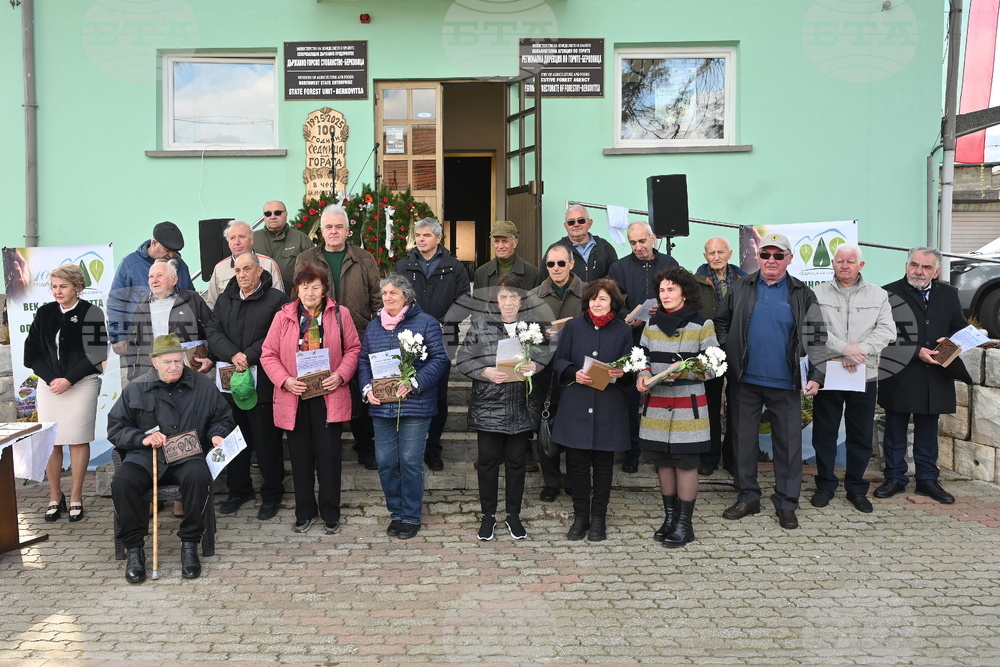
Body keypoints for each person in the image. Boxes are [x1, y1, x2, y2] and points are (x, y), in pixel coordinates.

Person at [713, 233, 827, 530]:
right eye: (766, 255)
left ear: (790, 259)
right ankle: (748, 496)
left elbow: (815, 336)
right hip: (744, 380)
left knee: (788, 446)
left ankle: (787, 503)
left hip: (786, 381)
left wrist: (816, 374)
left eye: (779, 255)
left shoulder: (803, 293)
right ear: (758, 258)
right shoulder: (741, 286)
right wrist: (729, 349)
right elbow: (721, 321)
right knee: (743, 442)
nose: (771, 261)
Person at [108, 333, 235, 583]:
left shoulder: (202, 385)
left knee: (199, 476)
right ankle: (134, 549)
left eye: (178, 361)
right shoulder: (135, 388)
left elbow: (222, 418)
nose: (174, 366)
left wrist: (218, 435)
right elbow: (116, 427)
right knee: (122, 482)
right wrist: (140, 438)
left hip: (187, 454)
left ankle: (189, 545)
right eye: (167, 362)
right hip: (146, 456)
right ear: (154, 362)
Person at [261, 264, 361, 534]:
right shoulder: (283, 317)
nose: (310, 292)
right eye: (304, 287)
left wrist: (341, 375)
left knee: (328, 458)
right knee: (300, 458)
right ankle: (305, 512)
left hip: (329, 395)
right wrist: (284, 380)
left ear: (325, 288)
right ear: (296, 289)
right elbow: (267, 354)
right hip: (295, 397)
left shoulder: (340, 314)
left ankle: (331, 512)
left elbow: (353, 348)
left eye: (315, 286)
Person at [875, 247, 973, 504]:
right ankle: (894, 478)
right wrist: (916, 351)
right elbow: (882, 335)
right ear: (906, 265)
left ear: (937, 271)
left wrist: (950, 343)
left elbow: (959, 329)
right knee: (895, 428)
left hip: (936, 373)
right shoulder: (887, 293)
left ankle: (927, 480)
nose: (919, 271)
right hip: (900, 371)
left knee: (928, 430)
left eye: (926, 267)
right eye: (914, 265)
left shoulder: (949, 294)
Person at [456, 275, 548, 541]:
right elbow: (463, 360)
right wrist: (484, 371)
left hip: (520, 405)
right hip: (489, 405)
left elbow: (544, 356)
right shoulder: (480, 325)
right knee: (487, 464)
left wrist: (536, 366)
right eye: (503, 297)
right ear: (495, 301)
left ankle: (514, 516)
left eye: (514, 297)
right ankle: (488, 517)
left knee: (517, 463)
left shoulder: (532, 326)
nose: (509, 302)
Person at [357, 274, 449, 540]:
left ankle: (410, 515)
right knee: (385, 462)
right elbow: (364, 361)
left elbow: (439, 360)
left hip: (415, 404)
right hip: (382, 406)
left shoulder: (426, 322)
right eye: (384, 293)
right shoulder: (374, 327)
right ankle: (395, 512)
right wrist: (366, 389)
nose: (387, 297)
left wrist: (415, 382)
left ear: (406, 296)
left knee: (409, 460)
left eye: (393, 293)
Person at [295, 204, 383, 469]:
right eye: (329, 227)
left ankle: (365, 445)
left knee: (359, 392)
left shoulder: (364, 258)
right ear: (321, 230)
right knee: (319, 392)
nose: (334, 231)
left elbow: (377, 299)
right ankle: (321, 447)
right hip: (317, 338)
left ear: (348, 230)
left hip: (357, 336)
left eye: (339, 227)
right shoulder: (306, 258)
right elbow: (296, 298)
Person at [636, 267, 719, 548]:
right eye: (661, 290)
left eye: (671, 289)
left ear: (684, 291)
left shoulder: (702, 324)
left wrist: (684, 372)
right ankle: (670, 518)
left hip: (688, 407)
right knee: (663, 462)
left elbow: (713, 365)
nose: (665, 294)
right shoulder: (651, 324)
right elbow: (642, 357)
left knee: (685, 464)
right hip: (657, 405)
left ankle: (685, 524)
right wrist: (641, 375)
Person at [809, 244, 895, 513]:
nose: (845, 265)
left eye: (851, 261)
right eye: (840, 261)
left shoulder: (878, 295)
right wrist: (843, 349)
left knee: (860, 435)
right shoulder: (817, 293)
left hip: (864, 374)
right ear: (832, 263)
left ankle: (857, 488)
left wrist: (860, 350)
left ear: (861, 265)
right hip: (829, 373)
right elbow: (813, 328)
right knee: (825, 433)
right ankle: (825, 485)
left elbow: (887, 330)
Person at [205, 253, 289, 520]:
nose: (242, 274)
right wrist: (233, 354)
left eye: (247, 269)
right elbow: (213, 331)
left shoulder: (277, 300)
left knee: (266, 443)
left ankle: (272, 493)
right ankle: (239, 491)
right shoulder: (224, 299)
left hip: (262, 381)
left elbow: (276, 335)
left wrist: (248, 355)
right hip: (229, 383)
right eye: (237, 270)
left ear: (259, 272)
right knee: (233, 441)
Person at [550, 278, 634, 542]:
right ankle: (580, 517)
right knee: (576, 467)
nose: (597, 304)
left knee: (603, 467)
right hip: (576, 405)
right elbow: (559, 360)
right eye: (594, 299)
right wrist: (573, 372)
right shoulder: (573, 326)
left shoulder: (623, 330)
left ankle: (598, 519)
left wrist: (622, 373)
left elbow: (629, 366)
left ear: (613, 303)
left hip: (608, 408)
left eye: (603, 299)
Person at [24, 263, 108, 523]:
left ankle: (76, 496)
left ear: (77, 287)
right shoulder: (45, 312)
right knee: (52, 441)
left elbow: (96, 354)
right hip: (50, 385)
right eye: (54, 287)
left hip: (81, 383)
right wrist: (53, 380)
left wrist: (69, 380)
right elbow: (32, 354)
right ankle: (54, 495)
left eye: (63, 286)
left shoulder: (91, 312)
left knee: (78, 439)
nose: (57, 291)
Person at [395, 217, 471, 471]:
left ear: (439, 238)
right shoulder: (403, 265)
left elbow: (464, 300)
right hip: (409, 338)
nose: (421, 239)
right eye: (418, 235)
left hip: (444, 336)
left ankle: (433, 449)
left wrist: (446, 322)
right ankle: (409, 448)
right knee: (408, 390)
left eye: (426, 235)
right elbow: (395, 297)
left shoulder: (455, 267)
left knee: (438, 396)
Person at [607, 221, 678, 473]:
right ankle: (632, 451)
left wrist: (665, 308)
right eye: (633, 242)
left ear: (653, 238)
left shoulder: (669, 263)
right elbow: (613, 302)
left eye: (642, 241)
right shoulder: (619, 267)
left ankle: (661, 452)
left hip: (664, 338)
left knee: (661, 394)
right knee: (630, 397)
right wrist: (629, 315)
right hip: (632, 339)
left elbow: (681, 297)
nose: (638, 247)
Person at [530, 243, 584, 503]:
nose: (556, 269)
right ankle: (551, 480)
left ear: (571, 264)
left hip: (577, 370)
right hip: (545, 370)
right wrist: (542, 334)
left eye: (561, 263)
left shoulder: (589, 293)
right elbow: (523, 333)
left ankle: (574, 479)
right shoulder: (533, 296)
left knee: (575, 426)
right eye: (550, 264)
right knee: (545, 426)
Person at [695, 237, 747, 476]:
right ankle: (709, 457)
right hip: (707, 350)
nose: (716, 257)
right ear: (705, 256)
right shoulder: (695, 282)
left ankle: (733, 458)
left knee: (737, 404)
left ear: (730, 253)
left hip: (737, 348)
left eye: (720, 252)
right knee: (710, 404)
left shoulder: (744, 280)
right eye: (711, 253)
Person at [108, 221, 194, 358]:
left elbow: (190, 300)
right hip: (139, 345)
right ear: (154, 243)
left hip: (176, 343)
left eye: (174, 251)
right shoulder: (130, 264)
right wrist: (118, 336)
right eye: (167, 250)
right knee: (140, 380)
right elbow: (116, 302)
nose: (171, 255)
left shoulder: (180, 265)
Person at [127, 259, 213, 380]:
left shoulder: (192, 299)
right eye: (151, 276)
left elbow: (213, 330)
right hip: (153, 375)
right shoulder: (142, 306)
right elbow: (134, 344)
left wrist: (211, 358)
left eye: (159, 276)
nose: (154, 280)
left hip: (188, 374)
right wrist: (133, 377)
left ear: (174, 279)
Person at [205, 220, 284, 308]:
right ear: (228, 243)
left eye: (242, 237)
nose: (237, 242)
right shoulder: (219, 268)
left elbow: (279, 302)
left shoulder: (268, 264)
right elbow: (212, 304)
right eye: (232, 238)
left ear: (252, 240)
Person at [538, 205, 618, 284]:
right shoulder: (555, 250)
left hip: (597, 296)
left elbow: (615, 279)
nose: (576, 225)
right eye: (571, 222)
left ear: (590, 223)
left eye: (581, 220)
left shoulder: (605, 247)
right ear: (565, 226)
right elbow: (543, 280)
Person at [254, 200, 316, 296]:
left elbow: (314, 271)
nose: (273, 217)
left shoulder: (301, 239)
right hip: (259, 300)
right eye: (268, 214)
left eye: (278, 213)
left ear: (286, 214)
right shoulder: (253, 240)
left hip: (293, 299)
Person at [472, 221, 540, 290]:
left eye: (505, 241)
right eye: (496, 241)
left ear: (515, 243)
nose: (500, 246)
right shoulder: (481, 274)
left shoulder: (534, 275)